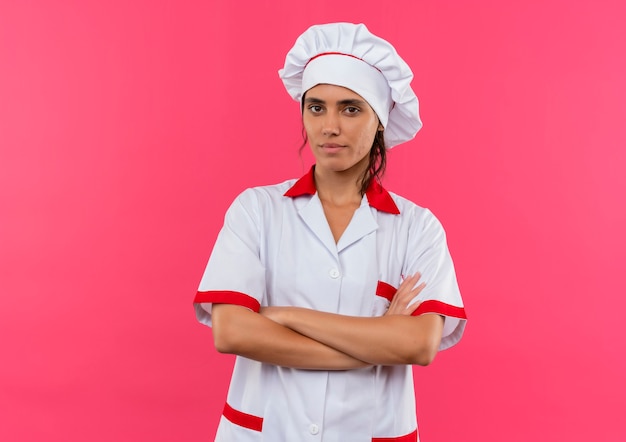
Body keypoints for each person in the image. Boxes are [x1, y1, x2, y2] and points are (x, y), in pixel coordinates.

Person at [194, 22, 467, 442]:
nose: (329, 126)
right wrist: (373, 343)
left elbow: (418, 345)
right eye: (316, 107)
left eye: (351, 108)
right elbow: (231, 331)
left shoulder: (417, 227)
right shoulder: (257, 210)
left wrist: (282, 316)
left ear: (380, 121)